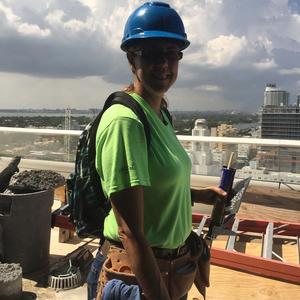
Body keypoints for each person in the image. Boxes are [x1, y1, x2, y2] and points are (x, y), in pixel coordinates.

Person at [94, 2, 226, 299]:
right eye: (152, 54)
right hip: (139, 279)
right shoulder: (125, 122)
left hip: (170, 270)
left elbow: (150, 189)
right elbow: (130, 230)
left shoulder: (160, 113)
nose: (164, 64)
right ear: (132, 58)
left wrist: (196, 195)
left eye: (171, 54)